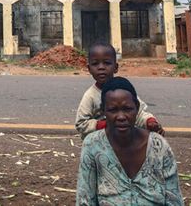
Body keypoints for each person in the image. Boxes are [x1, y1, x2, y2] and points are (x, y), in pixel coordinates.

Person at [75, 77, 182, 205]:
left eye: (127, 109)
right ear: (103, 110)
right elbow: (85, 199)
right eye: (113, 110)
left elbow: (174, 199)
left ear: (137, 108)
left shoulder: (158, 146)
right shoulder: (93, 145)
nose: (121, 117)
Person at [75, 42, 163, 139]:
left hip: (124, 141)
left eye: (107, 63)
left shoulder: (124, 91)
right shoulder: (90, 96)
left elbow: (139, 114)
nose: (101, 67)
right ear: (89, 69)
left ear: (116, 67)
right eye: (95, 64)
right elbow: (81, 123)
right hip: (99, 143)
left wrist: (149, 122)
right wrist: (105, 125)